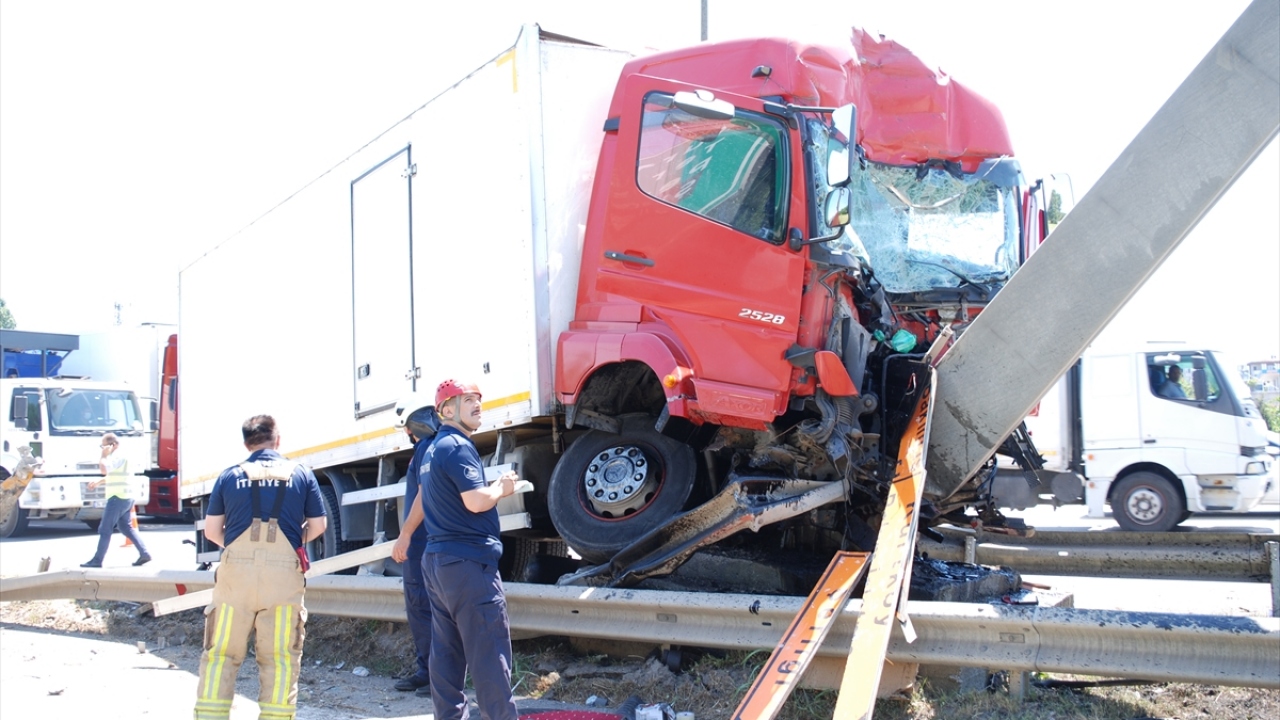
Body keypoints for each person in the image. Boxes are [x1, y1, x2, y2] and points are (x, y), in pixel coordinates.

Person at [193, 415, 328, 720]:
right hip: (282, 579)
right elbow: (319, 525)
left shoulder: (230, 476)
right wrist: (293, 541)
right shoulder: (301, 474)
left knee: (221, 656)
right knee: (279, 658)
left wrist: (241, 549)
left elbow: (213, 532)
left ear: (246, 444)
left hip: (235, 579)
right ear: (277, 440)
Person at [421, 379, 520, 720]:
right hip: (468, 564)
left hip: (438, 563)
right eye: (468, 400)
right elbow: (476, 501)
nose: (477, 405)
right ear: (447, 410)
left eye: (478, 399)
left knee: (446, 655)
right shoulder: (458, 447)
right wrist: (502, 488)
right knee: (490, 655)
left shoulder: (431, 450)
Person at [389, 394, 439, 697]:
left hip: (421, 541)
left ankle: (435, 675)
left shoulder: (424, 448)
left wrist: (405, 534)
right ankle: (428, 672)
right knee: (423, 607)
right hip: (427, 540)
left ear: (410, 426)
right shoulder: (434, 447)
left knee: (422, 605)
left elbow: (423, 493)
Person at [81, 432, 151, 568]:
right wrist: (99, 482)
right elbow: (113, 475)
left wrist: (103, 455)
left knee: (105, 529)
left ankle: (97, 560)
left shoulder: (117, 456)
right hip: (126, 497)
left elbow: (104, 469)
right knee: (126, 527)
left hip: (117, 498)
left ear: (112, 445)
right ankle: (144, 553)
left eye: (103, 446)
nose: (102, 449)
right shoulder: (122, 457)